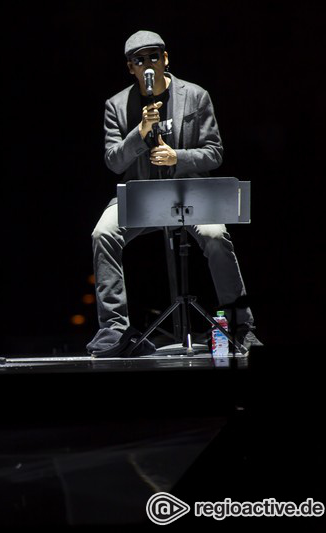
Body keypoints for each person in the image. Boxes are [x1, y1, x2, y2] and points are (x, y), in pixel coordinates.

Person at [87, 31, 262, 355]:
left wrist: (177, 157)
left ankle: (240, 325)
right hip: (142, 195)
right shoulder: (116, 105)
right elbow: (113, 162)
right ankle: (114, 330)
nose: (148, 64)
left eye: (154, 56)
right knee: (103, 233)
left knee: (215, 235)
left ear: (165, 59)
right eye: (139, 60)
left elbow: (215, 152)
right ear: (131, 68)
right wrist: (138, 134)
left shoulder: (195, 96)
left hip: (190, 191)